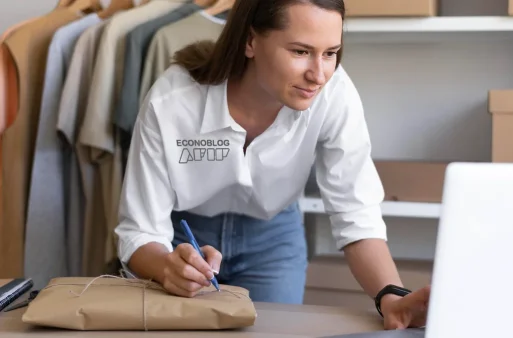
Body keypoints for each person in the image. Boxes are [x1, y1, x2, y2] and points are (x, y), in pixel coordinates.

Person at [114, 0, 431, 330]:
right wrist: (168, 267)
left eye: (330, 53)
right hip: (185, 238)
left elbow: (356, 212)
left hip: (274, 238)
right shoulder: (173, 101)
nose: (318, 74)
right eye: (300, 51)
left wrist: (392, 298)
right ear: (250, 41)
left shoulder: (334, 93)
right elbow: (139, 230)